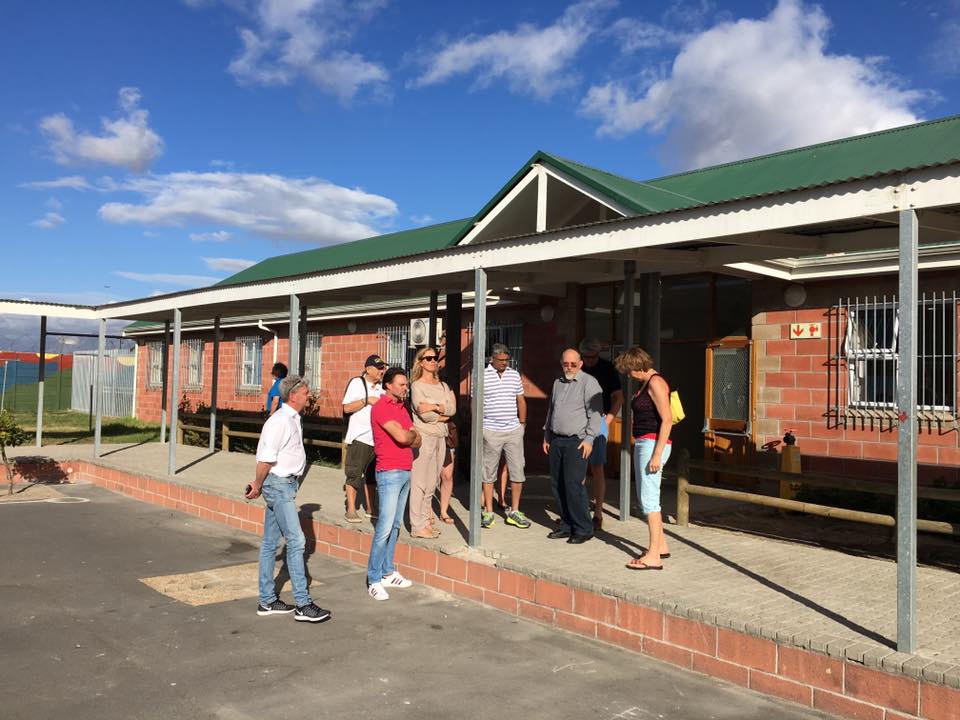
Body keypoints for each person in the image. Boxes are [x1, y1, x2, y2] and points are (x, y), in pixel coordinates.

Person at [246, 375, 331, 623]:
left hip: (284, 484)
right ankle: (303, 604)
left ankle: (267, 601)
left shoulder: (292, 418)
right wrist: (258, 484)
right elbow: (265, 459)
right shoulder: (280, 421)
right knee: (296, 541)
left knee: (270, 543)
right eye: (305, 392)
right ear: (292, 395)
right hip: (278, 485)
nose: (309, 395)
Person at [614, 347, 673, 570]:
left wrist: (656, 454)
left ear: (637, 366)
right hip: (645, 443)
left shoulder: (655, 383)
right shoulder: (647, 383)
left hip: (651, 444)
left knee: (649, 500)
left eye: (629, 370)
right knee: (648, 496)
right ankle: (661, 546)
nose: (629, 375)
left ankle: (653, 556)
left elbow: (667, 419)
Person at [367, 367, 421, 601]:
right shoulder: (381, 408)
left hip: (405, 471)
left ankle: (387, 571)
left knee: (396, 525)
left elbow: (417, 439)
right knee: (385, 528)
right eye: (401, 384)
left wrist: (409, 435)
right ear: (388, 385)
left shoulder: (402, 408)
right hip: (389, 472)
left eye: (406, 384)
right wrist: (408, 435)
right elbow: (403, 437)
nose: (405, 387)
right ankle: (373, 578)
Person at [543, 348, 603, 544]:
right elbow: (551, 410)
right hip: (556, 440)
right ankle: (566, 525)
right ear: (561, 363)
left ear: (581, 364)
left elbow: (595, 414)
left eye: (573, 364)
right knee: (557, 484)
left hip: (577, 441)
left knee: (573, 485)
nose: (569, 368)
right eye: (565, 364)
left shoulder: (589, 383)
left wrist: (589, 439)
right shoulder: (557, 383)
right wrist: (547, 436)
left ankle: (583, 528)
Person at [481, 343, 530, 529]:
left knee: (517, 470)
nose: (504, 363)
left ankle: (515, 511)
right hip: (490, 430)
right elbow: (475, 402)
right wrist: (480, 427)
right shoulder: (482, 375)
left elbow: (521, 400)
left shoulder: (514, 375)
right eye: (500, 360)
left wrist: (522, 424)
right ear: (492, 359)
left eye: (506, 360)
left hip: (513, 430)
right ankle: (489, 511)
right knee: (488, 472)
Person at [409, 347, 456, 539]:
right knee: (419, 482)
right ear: (420, 362)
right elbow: (424, 415)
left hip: (440, 437)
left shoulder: (443, 385)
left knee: (432, 483)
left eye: (435, 358)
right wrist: (441, 410)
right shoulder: (416, 386)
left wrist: (433, 407)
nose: (433, 361)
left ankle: (426, 522)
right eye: (428, 358)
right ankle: (416, 525)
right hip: (424, 437)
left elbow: (452, 410)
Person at [579, 338, 623, 530]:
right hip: (578, 422)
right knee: (578, 468)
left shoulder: (607, 368)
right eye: (586, 357)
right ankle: (578, 511)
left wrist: (608, 420)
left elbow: (618, 398)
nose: (589, 361)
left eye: (593, 357)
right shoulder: (578, 367)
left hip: (599, 420)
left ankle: (598, 514)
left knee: (597, 468)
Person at [341, 355, 386, 523]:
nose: (382, 371)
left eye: (383, 367)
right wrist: (366, 400)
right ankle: (351, 509)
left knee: (372, 476)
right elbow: (346, 408)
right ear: (368, 369)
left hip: (377, 439)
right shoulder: (357, 383)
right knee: (354, 473)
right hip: (360, 438)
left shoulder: (382, 387)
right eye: (379, 368)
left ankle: (371, 508)